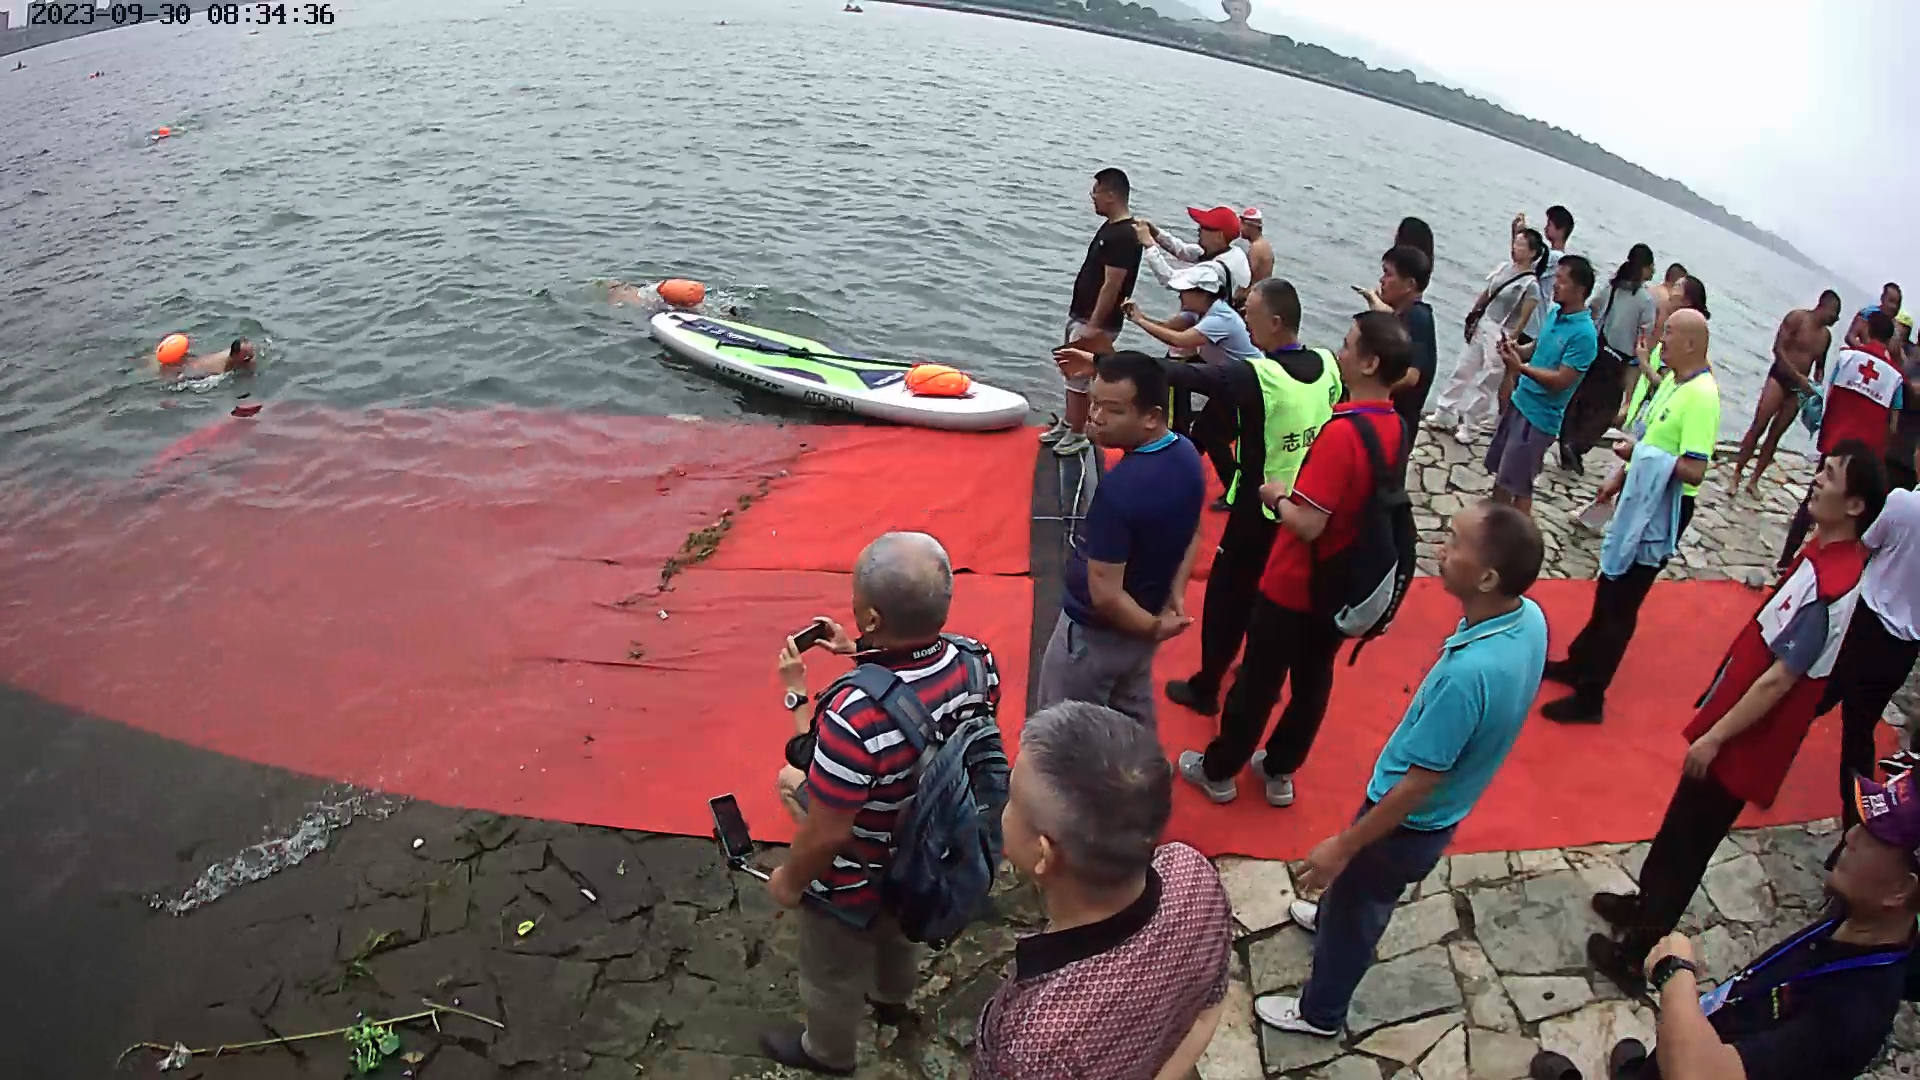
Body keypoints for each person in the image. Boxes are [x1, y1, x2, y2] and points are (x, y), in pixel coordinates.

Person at [1586, 447, 1886, 990]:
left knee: (1689, 842)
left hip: (1745, 740)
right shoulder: (1823, 556)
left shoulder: (1835, 582)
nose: (1816, 481)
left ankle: (1640, 952)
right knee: (1678, 826)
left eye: (1829, 476)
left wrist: (1716, 737)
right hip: (1734, 723)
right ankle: (1643, 905)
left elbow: (1780, 678)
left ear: (1856, 505)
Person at [1255, 500, 1546, 1039]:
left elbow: (1418, 784)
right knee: (1353, 899)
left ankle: (1321, 1012)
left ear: (1487, 577)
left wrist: (1343, 846)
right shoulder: (1528, 619)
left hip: (1405, 827)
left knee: (1358, 914)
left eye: (1454, 542)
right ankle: (1331, 914)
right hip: (1438, 811)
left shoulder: (1469, 676)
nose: (1441, 547)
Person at [761, 532, 1002, 1075]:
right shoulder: (977, 661)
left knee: (828, 972)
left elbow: (827, 823)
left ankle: (827, 1052)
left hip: (862, 870)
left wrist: (789, 882)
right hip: (929, 857)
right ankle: (892, 999)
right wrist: (861, 650)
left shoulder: (853, 711)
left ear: (871, 616)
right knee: (898, 938)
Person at [1175, 311, 1412, 807]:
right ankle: (1280, 768)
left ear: (1370, 362)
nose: (1340, 353)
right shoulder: (1394, 425)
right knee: (1313, 678)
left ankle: (1219, 770)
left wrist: (1276, 496)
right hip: (1341, 580)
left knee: (1258, 681)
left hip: (1295, 581)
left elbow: (1308, 523)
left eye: (1348, 345)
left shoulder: (1342, 434)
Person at [1584, 776, 1919, 1080]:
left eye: (1876, 836)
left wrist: (1674, 973)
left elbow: (1702, 1075)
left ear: (1901, 889)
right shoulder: (1855, 916)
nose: (1851, 836)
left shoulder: (1854, 1012)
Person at [974, 701, 1234, 1080]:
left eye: (1012, 799)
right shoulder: (1193, 873)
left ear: (1043, 854)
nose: (1005, 809)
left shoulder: (1033, 1046)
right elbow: (1209, 1009)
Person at [1161, 279, 1342, 716]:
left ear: (1275, 322)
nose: (1245, 322)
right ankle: (1259, 676)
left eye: (1251, 315)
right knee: (1275, 600)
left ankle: (1207, 687)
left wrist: (1111, 364)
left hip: (1257, 510)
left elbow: (1190, 376)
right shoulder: (1328, 364)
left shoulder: (1259, 376)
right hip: (1301, 507)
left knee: (1228, 599)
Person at [1541, 310, 1719, 725]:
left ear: (1692, 343)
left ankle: (1591, 697)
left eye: (1669, 334)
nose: (1661, 342)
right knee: (1608, 585)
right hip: (1640, 493)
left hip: (1663, 507)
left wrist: (1639, 457)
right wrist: (1619, 478)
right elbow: (1652, 440)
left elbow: (1694, 469)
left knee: (1622, 601)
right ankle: (1579, 662)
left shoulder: (1702, 397)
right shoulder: (1674, 380)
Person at [1034, 352, 1205, 729]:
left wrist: (1153, 628)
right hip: (1143, 620)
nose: (1096, 417)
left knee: (1063, 731)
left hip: (1094, 636)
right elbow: (1193, 532)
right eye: (1094, 402)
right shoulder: (1187, 455)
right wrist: (1172, 596)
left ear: (1151, 417)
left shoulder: (1120, 490)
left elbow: (1105, 593)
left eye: (1113, 410)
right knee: (1132, 716)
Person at [1777, 311, 1905, 574]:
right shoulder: (1896, 378)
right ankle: (1831, 570)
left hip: (1837, 444)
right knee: (1850, 521)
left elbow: (1831, 396)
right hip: (1866, 458)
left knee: (1813, 501)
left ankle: (1785, 561)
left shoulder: (1847, 358)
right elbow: (1893, 426)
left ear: (1867, 329)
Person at [1829, 475, 1920, 831]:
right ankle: (1855, 822)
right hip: (1903, 647)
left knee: (1814, 696)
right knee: (1860, 728)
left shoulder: (1902, 503)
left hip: (1867, 623)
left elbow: (1864, 545)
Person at [1488, 256, 1600, 517]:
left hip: (1539, 419)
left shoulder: (1584, 335)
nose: (1555, 285)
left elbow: (1562, 380)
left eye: (1562, 280)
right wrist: (1516, 350)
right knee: (1502, 476)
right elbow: (1537, 348)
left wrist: (1520, 368)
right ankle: (1495, 526)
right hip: (1520, 402)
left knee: (1519, 486)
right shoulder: (1554, 314)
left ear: (1580, 290)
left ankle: (1514, 533)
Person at [1042, 168, 1143, 459]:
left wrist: (1095, 324)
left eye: (1096, 191)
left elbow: (1113, 284)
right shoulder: (1111, 228)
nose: (1092, 197)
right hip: (1082, 313)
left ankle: (1078, 432)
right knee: (1070, 369)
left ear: (1111, 194)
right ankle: (1070, 422)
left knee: (1079, 375)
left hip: (1095, 319)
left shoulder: (1123, 235)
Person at [1424, 227, 1546, 444]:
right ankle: (1445, 410)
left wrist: (1512, 339)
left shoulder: (1530, 285)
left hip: (1502, 331)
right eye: (1515, 243)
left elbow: (1523, 317)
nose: (1515, 248)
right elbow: (1488, 293)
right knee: (1464, 367)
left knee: (1488, 380)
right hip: (1485, 322)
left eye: (1521, 245)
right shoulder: (1505, 268)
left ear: (1532, 253)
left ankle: (1471, 425)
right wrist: (1474, 314)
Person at [1729, 291, 1844, 495]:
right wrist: (1797, 376)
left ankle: (1754, 480)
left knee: (1776, 435)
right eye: (1834, 313)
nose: (1835, 319)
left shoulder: (1825, 337)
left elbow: (1819, 366)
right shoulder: (1797, 318)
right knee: (1759, 426)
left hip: (1798, 390)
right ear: (1823, 306)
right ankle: (1736, 475)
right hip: (1779, 378)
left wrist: (1816, 386)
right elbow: (1778, 350)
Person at [1558, 244, 1658, 473]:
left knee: (1579, 400)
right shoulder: (1645, 300)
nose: (1653, 271)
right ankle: (1577, 445)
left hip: (1597, 350)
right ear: (1644, 267)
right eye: (1651, 266)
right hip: (1618, 360)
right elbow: (1644, 336)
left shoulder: (1611, 287)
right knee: (1607, 411)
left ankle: (1567, 442)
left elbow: (1592, 309)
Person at [1362, 245, 1438, 443]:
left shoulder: (1418, 318)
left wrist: (1367, 391)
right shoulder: (1405, 314)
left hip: (1397, 426)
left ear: (1409, 285)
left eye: (1388, 274)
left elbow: (1411, 376)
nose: (1382, 280)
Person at [1622, 275, 1711, 430]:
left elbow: (1669, 386)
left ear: (1686, 301)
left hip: (1656, 423)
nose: (1670, 291)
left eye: (1677, 287)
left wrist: (1643, 363)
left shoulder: (1681, 340)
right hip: (1644, 415)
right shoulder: (1675, 333)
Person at [1138, 207, 1253, 308]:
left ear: (1219, 236)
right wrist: (1156, 233)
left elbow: (1170, 279)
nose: (1198, 229)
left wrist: (1149, 245)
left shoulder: (1214, 270)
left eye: (1204, 226)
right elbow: (1183, 250)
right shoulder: (1234, 252)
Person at [1513, 205, 1576, 341]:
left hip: (1530, 325)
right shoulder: (1553, 256)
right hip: (1531, 323)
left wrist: (1520, 233)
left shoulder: (1555, 258)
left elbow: (1522, 263)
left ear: (1561, 230)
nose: (1546, 228)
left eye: (1550, 225)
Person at [1845, 282, 1905, 351]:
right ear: (1882, 298)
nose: (1894, 306)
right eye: (1891, 301)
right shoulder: (1867, 314)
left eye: (1898, 303)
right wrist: (1867, 351)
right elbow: (1850, 337)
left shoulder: (1895, 326)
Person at [156, 338, 256, 379]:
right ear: (235, 355)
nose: (251, 356)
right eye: (247, 355)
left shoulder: (234, 353)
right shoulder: (221, 369)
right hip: (195, 369)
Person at [1240, 207, 1274, 287]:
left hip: (1253, 291)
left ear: (1252, 226)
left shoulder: (1256, 248)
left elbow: (1247, 278)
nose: (1240, 227)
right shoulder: (1265, 244)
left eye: (1243, 223)